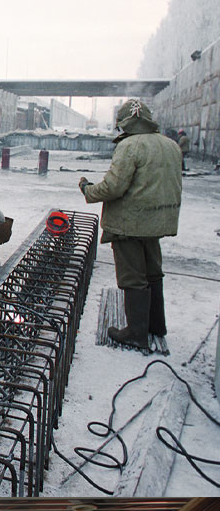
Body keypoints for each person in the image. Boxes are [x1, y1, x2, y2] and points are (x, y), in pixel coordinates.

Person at [78, 99, 182, 352]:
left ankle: (136, 333)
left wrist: (88, 189)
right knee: (153, 272)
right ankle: (156, 325)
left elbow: (114, 187)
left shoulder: (130, 146)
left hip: (129, 223)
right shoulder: (171, 145)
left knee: (133, 277)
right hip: (157, 221)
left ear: (124, 124)